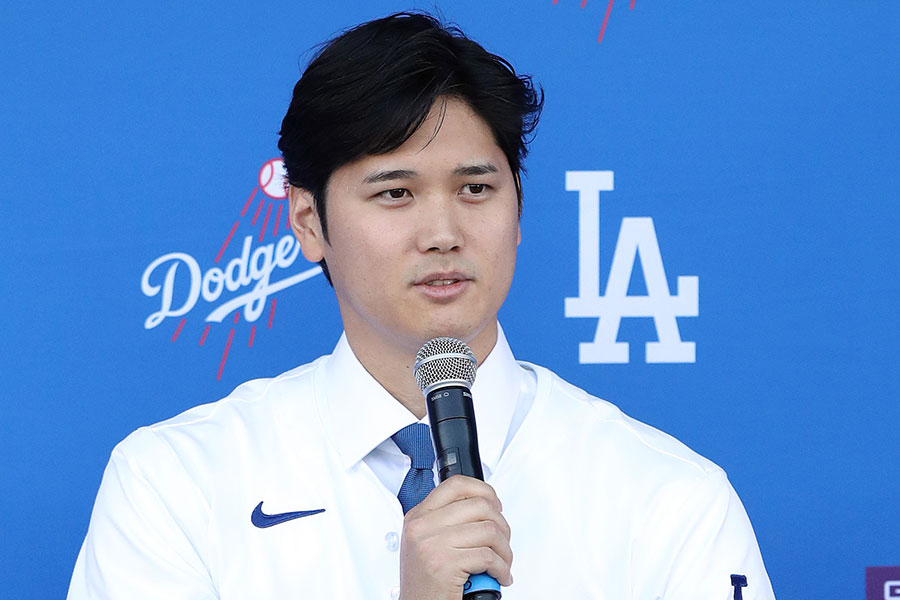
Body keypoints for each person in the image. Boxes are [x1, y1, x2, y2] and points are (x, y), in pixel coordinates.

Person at [68, 11, 775, 600]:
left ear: (519, 211)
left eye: (475, 190)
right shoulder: (175, 484)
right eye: (395, 193)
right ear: (309, 222)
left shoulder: (667, 496)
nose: (443, 234)